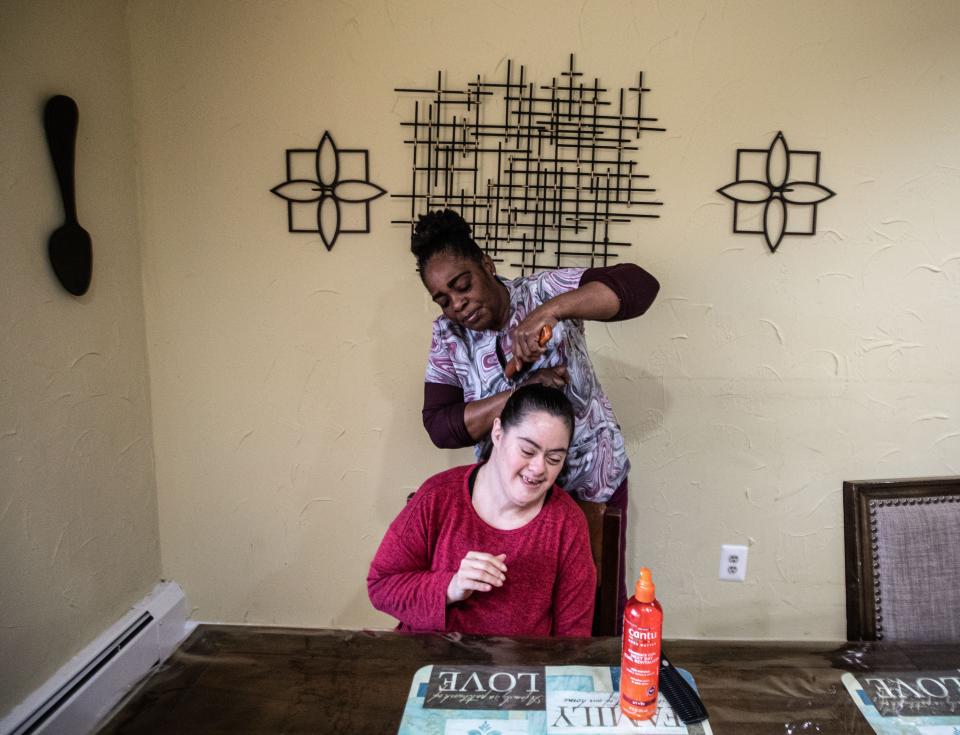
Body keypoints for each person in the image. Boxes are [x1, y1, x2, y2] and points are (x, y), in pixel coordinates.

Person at [412, 209, 659, 629]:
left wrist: (552, 311)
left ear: (487, 265)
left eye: (463, 285)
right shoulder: (447, 337)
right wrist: (517, 396)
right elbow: (440, 425)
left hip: (590, 483)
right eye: (443, 299)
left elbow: (640, 285)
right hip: (511, 496)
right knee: (516, 610)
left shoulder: (542, 290)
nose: (457, 305)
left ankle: (589, 687)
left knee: (592, 608)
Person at [367, 385, 595, 636]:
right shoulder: (437, 497)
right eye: (527, 451)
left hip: (521, 669)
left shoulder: (567, 523)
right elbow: (381, 586)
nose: (539, 468)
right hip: (432, 662)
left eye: (554, 459)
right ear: (498, 433)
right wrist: (451, 587)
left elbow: (573, 639)